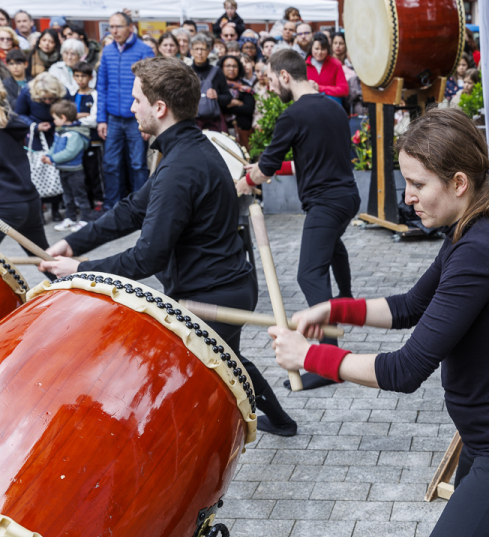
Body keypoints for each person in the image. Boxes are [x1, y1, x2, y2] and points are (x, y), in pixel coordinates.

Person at [267, 107, 489, 537]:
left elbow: (405, 371)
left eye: (419, 185)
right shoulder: (468, 232)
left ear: (459, 183)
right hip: (488, 442)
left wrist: (312, 357)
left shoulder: (481, 250)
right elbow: (410, 306)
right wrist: (333, 309)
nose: (409, 198)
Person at [41, 56, 297, 437]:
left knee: (187, 375)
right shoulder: (185, 150)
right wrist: (70, 243)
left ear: (160, 108)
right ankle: (281, 421)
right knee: (230, 362)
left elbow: (148, 256)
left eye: (137, 100)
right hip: (221, 286)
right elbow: (132, 210)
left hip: (213, 296)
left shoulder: (181, 165)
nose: (132, 108)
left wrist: (79, 271)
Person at [237, 49, 360, 391]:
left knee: (308, 274)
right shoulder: (333, 107)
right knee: (332, 247)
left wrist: (241, 183)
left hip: (326, 203)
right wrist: (264, 171)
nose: (271, 84)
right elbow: (315, 156)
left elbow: (266, 168)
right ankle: (345, 304)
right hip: (347, 197)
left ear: (285, 76)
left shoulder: (292, 115)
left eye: (272, 78)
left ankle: (329, 361)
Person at [96, 11, 154, 211]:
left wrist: (147, 121)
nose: (114, 31)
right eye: (111, 27)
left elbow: (151, 89)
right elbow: (101, 86)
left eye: (118, 26)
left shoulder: (144, 50)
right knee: (110, 163)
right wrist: (101, 119)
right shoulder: (108, 52)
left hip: (135, 118)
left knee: (138, 164)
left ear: (130, 27)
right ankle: (112, 205)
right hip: (113, 118)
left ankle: (140, 207)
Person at [15, 72, 71, 222]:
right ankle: (39, 208)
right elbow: (19, 113)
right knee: (38, 171)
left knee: (56, 170)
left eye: (50, 99)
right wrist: (35, 125)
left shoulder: (64, 92)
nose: (47, 101)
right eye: (43, 99)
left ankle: (56, 209)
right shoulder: (28, 91)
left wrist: (53, 124)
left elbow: (70, 112)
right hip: (35, 132)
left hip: (57, 130)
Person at [0, 86, 49, 253]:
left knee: (46, 259)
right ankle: (72, 279)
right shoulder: (9, 121)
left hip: (5, 205)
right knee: (46, 260)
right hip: (29, 199)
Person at [44, 99, 91, 231]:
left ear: (63, 118)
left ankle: (85, 219)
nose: (53, 121)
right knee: (67, 196)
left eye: (55, 118)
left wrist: (53, 159)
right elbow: (54, 146)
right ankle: (70, 218)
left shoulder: (74, 134)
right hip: (63, 170)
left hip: (75, 171)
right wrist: (48, 155)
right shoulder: (61, 131)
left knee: (79, 196)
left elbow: (70, 152)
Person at [72, 61, 103, 211]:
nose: (80, 79)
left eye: (83, 76)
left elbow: (94, 119)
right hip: (75, 141)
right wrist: (81, 116)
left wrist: (76, 117)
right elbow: (66, 117)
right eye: (77, 76)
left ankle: (98, 200)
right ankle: (86, 203)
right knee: (81, 173)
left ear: (90, 77)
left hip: (92, 140)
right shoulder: (72, 95)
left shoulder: (94, 94)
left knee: (94, 171)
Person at [190, 34, 231, 132]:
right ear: (191, 51)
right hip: (192, 122)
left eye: (203, 49)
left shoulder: (217, 72)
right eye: (196, 49)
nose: (199, 52)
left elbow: (228, 97)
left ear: (208, 51)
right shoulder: (186, 72)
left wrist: (217, 96)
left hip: (214, 122)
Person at [219, 55, 255, 148]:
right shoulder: (218, 86)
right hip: (223, 129)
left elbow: (249, 108)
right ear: (221, 68)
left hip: (243, 129)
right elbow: (217, 106)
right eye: (228, 66)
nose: (231, 69)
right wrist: (237, 103)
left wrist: (228, 105)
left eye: (234, 66)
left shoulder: (245, 86)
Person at [306, 32, 349, 103]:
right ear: (311, 48)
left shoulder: (336, 64)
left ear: (327, 49)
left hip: (331, 104)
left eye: (323, 49)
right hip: (310, 104)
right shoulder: (304, 65)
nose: (319, 52)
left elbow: (344, 90)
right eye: (316, 49)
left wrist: (320, 88)